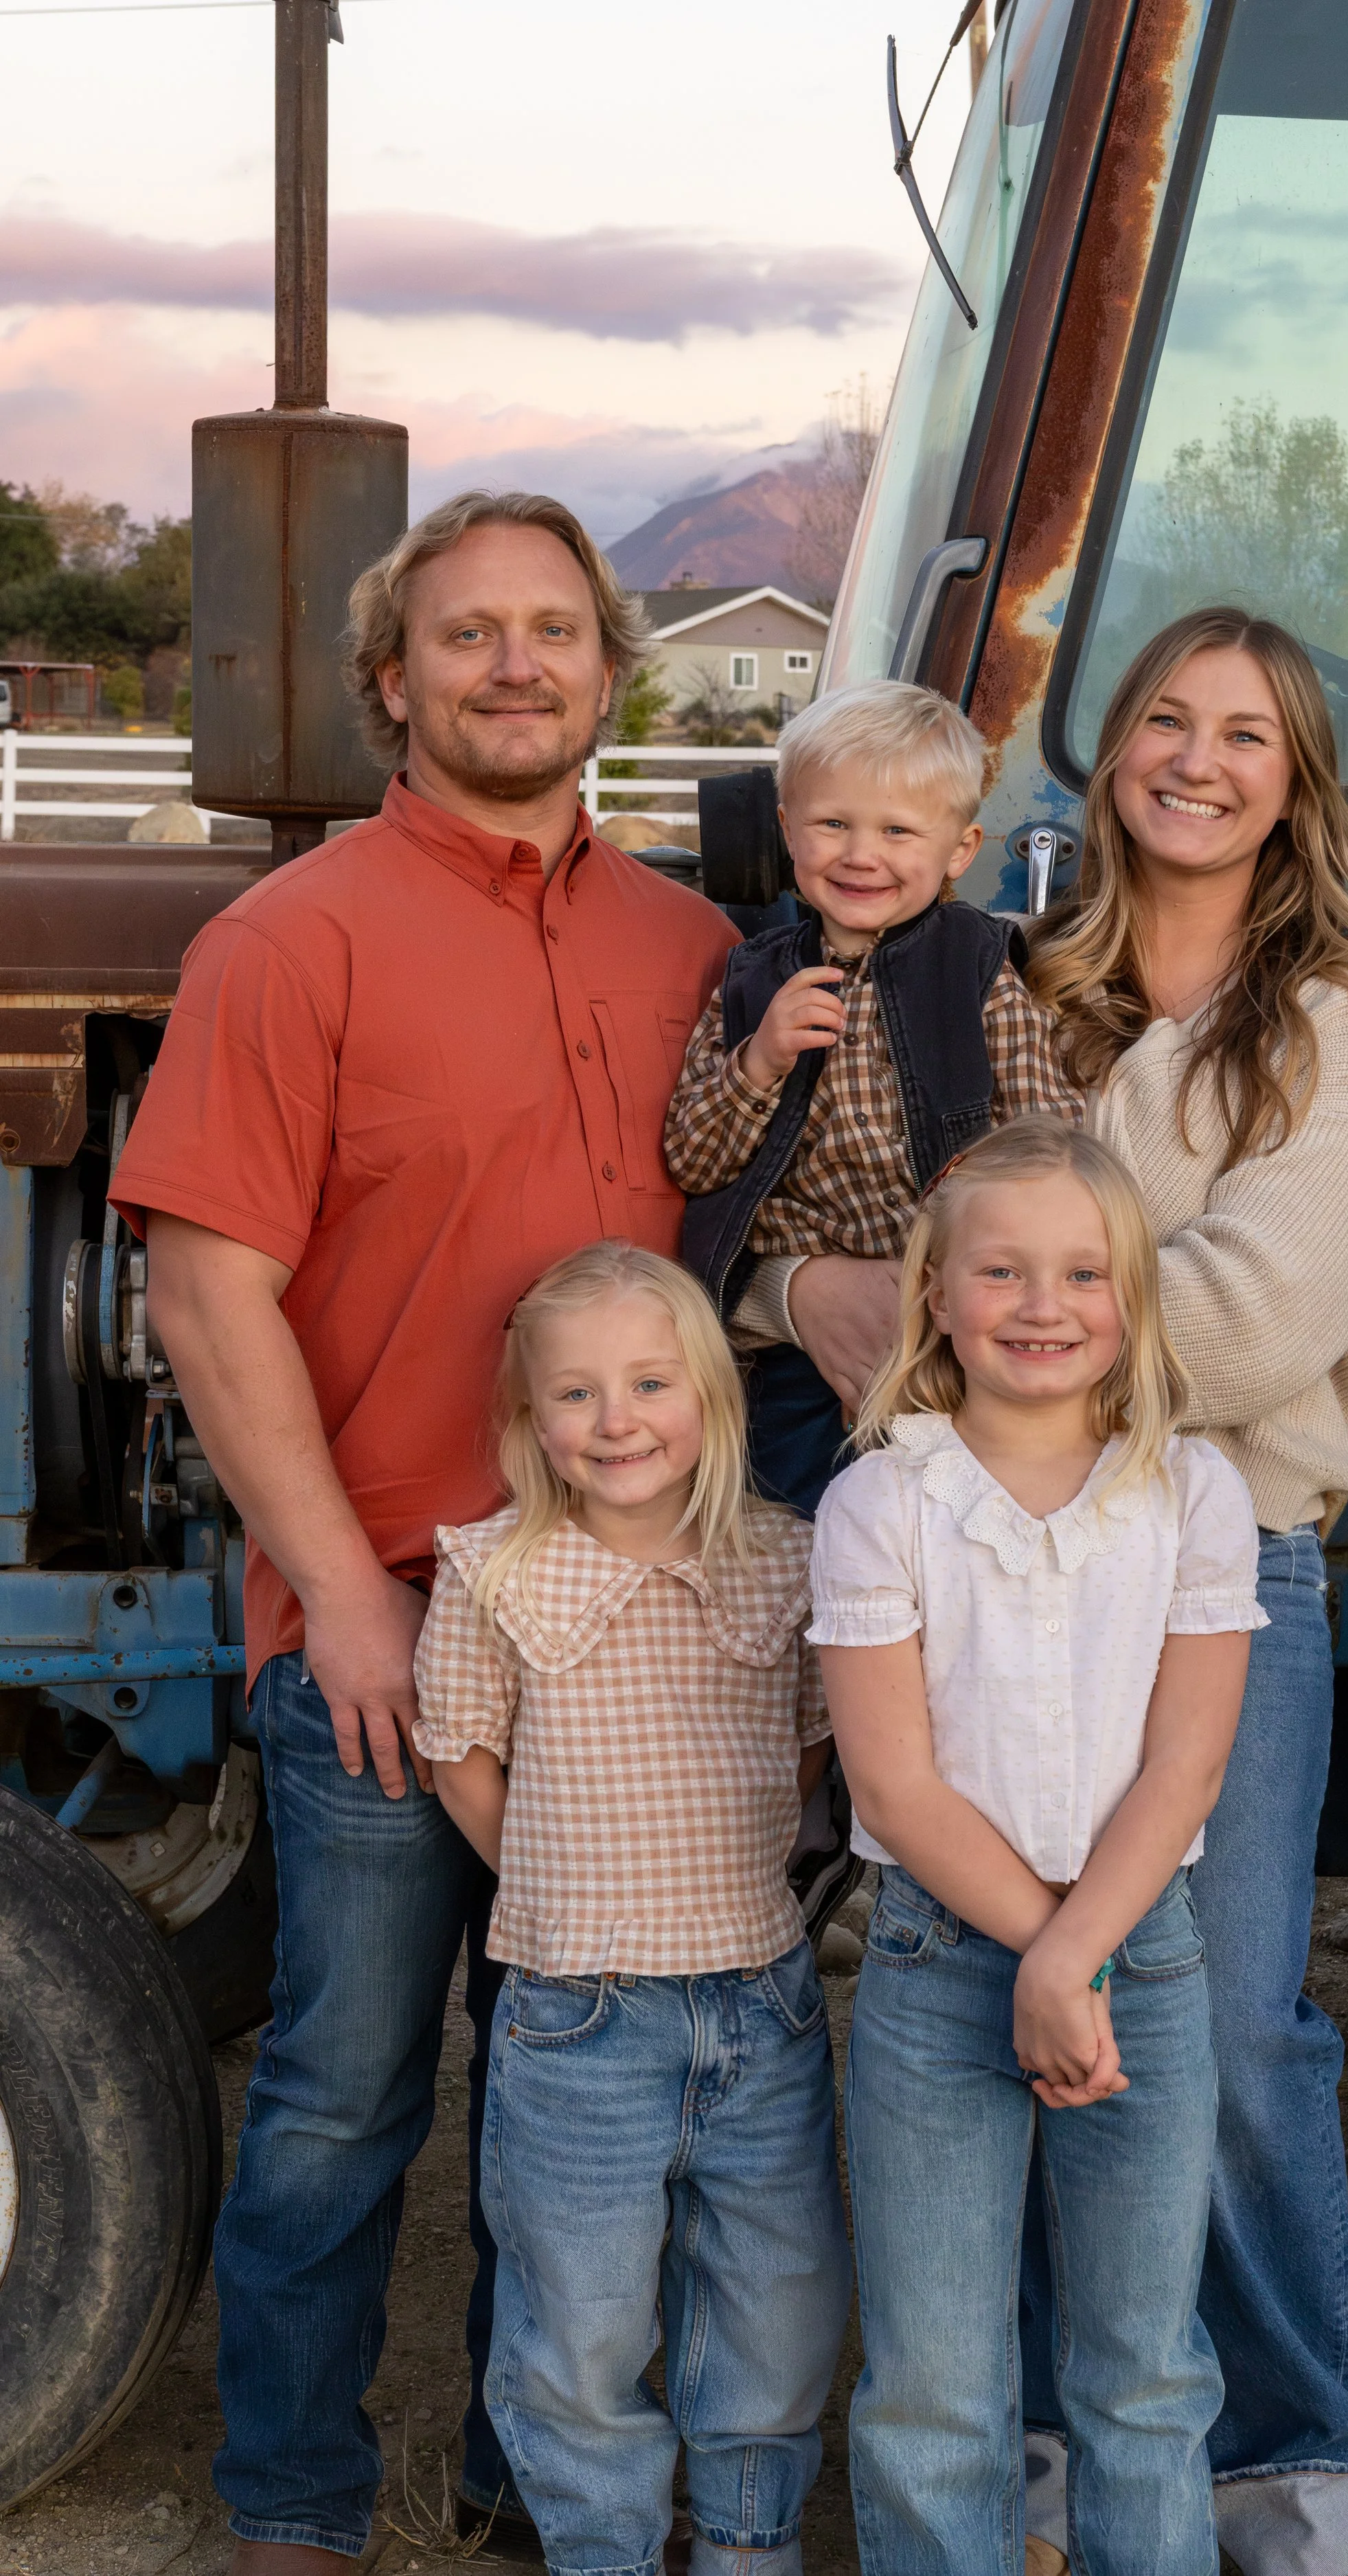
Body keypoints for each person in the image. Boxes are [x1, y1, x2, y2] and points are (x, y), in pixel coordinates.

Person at [109, 490, 739, 2574]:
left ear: (606, 669)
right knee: (340, 2095)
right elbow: (210, 1292)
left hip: (633, 1644)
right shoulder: (292, 942)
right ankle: (291, 2500)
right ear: (391, 679)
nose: (511, 663)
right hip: (390, 1620)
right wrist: (353, 1606)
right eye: (464, 633)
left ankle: (519, 2474)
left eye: (551, 628)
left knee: (577, 2113)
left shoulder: (693, 952)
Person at [1025, 605, 1348, 2576]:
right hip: (1003, 1580)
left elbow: (1261, 1327)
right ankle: (1042, 2435)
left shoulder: (1338, 1023)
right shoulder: (1016, 995)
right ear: (1107, 754)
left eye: (1244, 732)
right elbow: (839, 1224)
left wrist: (974, 1321)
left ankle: (1294, 2446)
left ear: (1295, 782)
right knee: (1019, 1992)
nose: (1196, 755)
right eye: (1163, 718)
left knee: (1239, 2025)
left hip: (1224, 1566)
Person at [810, 1117, 1264, 2576]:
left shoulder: (1193, 1497)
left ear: (1129, 1301)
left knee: (1141, 2371)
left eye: (1081, 1273)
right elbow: (895, 1779)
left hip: (1142, 1950)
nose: (1041, 1306)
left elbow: (1185, 1761)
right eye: (999, 1272)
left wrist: (1077, 1955)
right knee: (934, 2389)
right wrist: (1039, 1953)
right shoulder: (881, 1504)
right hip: (940, 1962)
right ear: (933, 1294)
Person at [414, 1241, 850, 2576]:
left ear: (712, 1401)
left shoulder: (782, 1564)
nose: (615, 1421)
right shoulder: (499, 1571)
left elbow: (811, 1749)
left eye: (650, 1383)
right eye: (577, 1395)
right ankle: (600, 2550)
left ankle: (742, 2548)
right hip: (578, 2019)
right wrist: (554, 1869)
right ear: (527, 1421)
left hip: (757, 2004)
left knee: (773, 2310)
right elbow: (458, 1754)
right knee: (577, 2329)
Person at [664, 678, 1080, 1519]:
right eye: (833, 824)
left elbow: (1042, 1144)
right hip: (795, 1353)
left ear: (960, 849)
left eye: (898, 830)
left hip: (942, 1335)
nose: (862, 854)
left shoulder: (977, 968)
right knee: (793, 1532)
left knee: (950, 1529)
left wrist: (969, 1269)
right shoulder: (752, 982)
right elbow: (691, 1158)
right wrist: (759, 1062)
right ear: (788, 829)